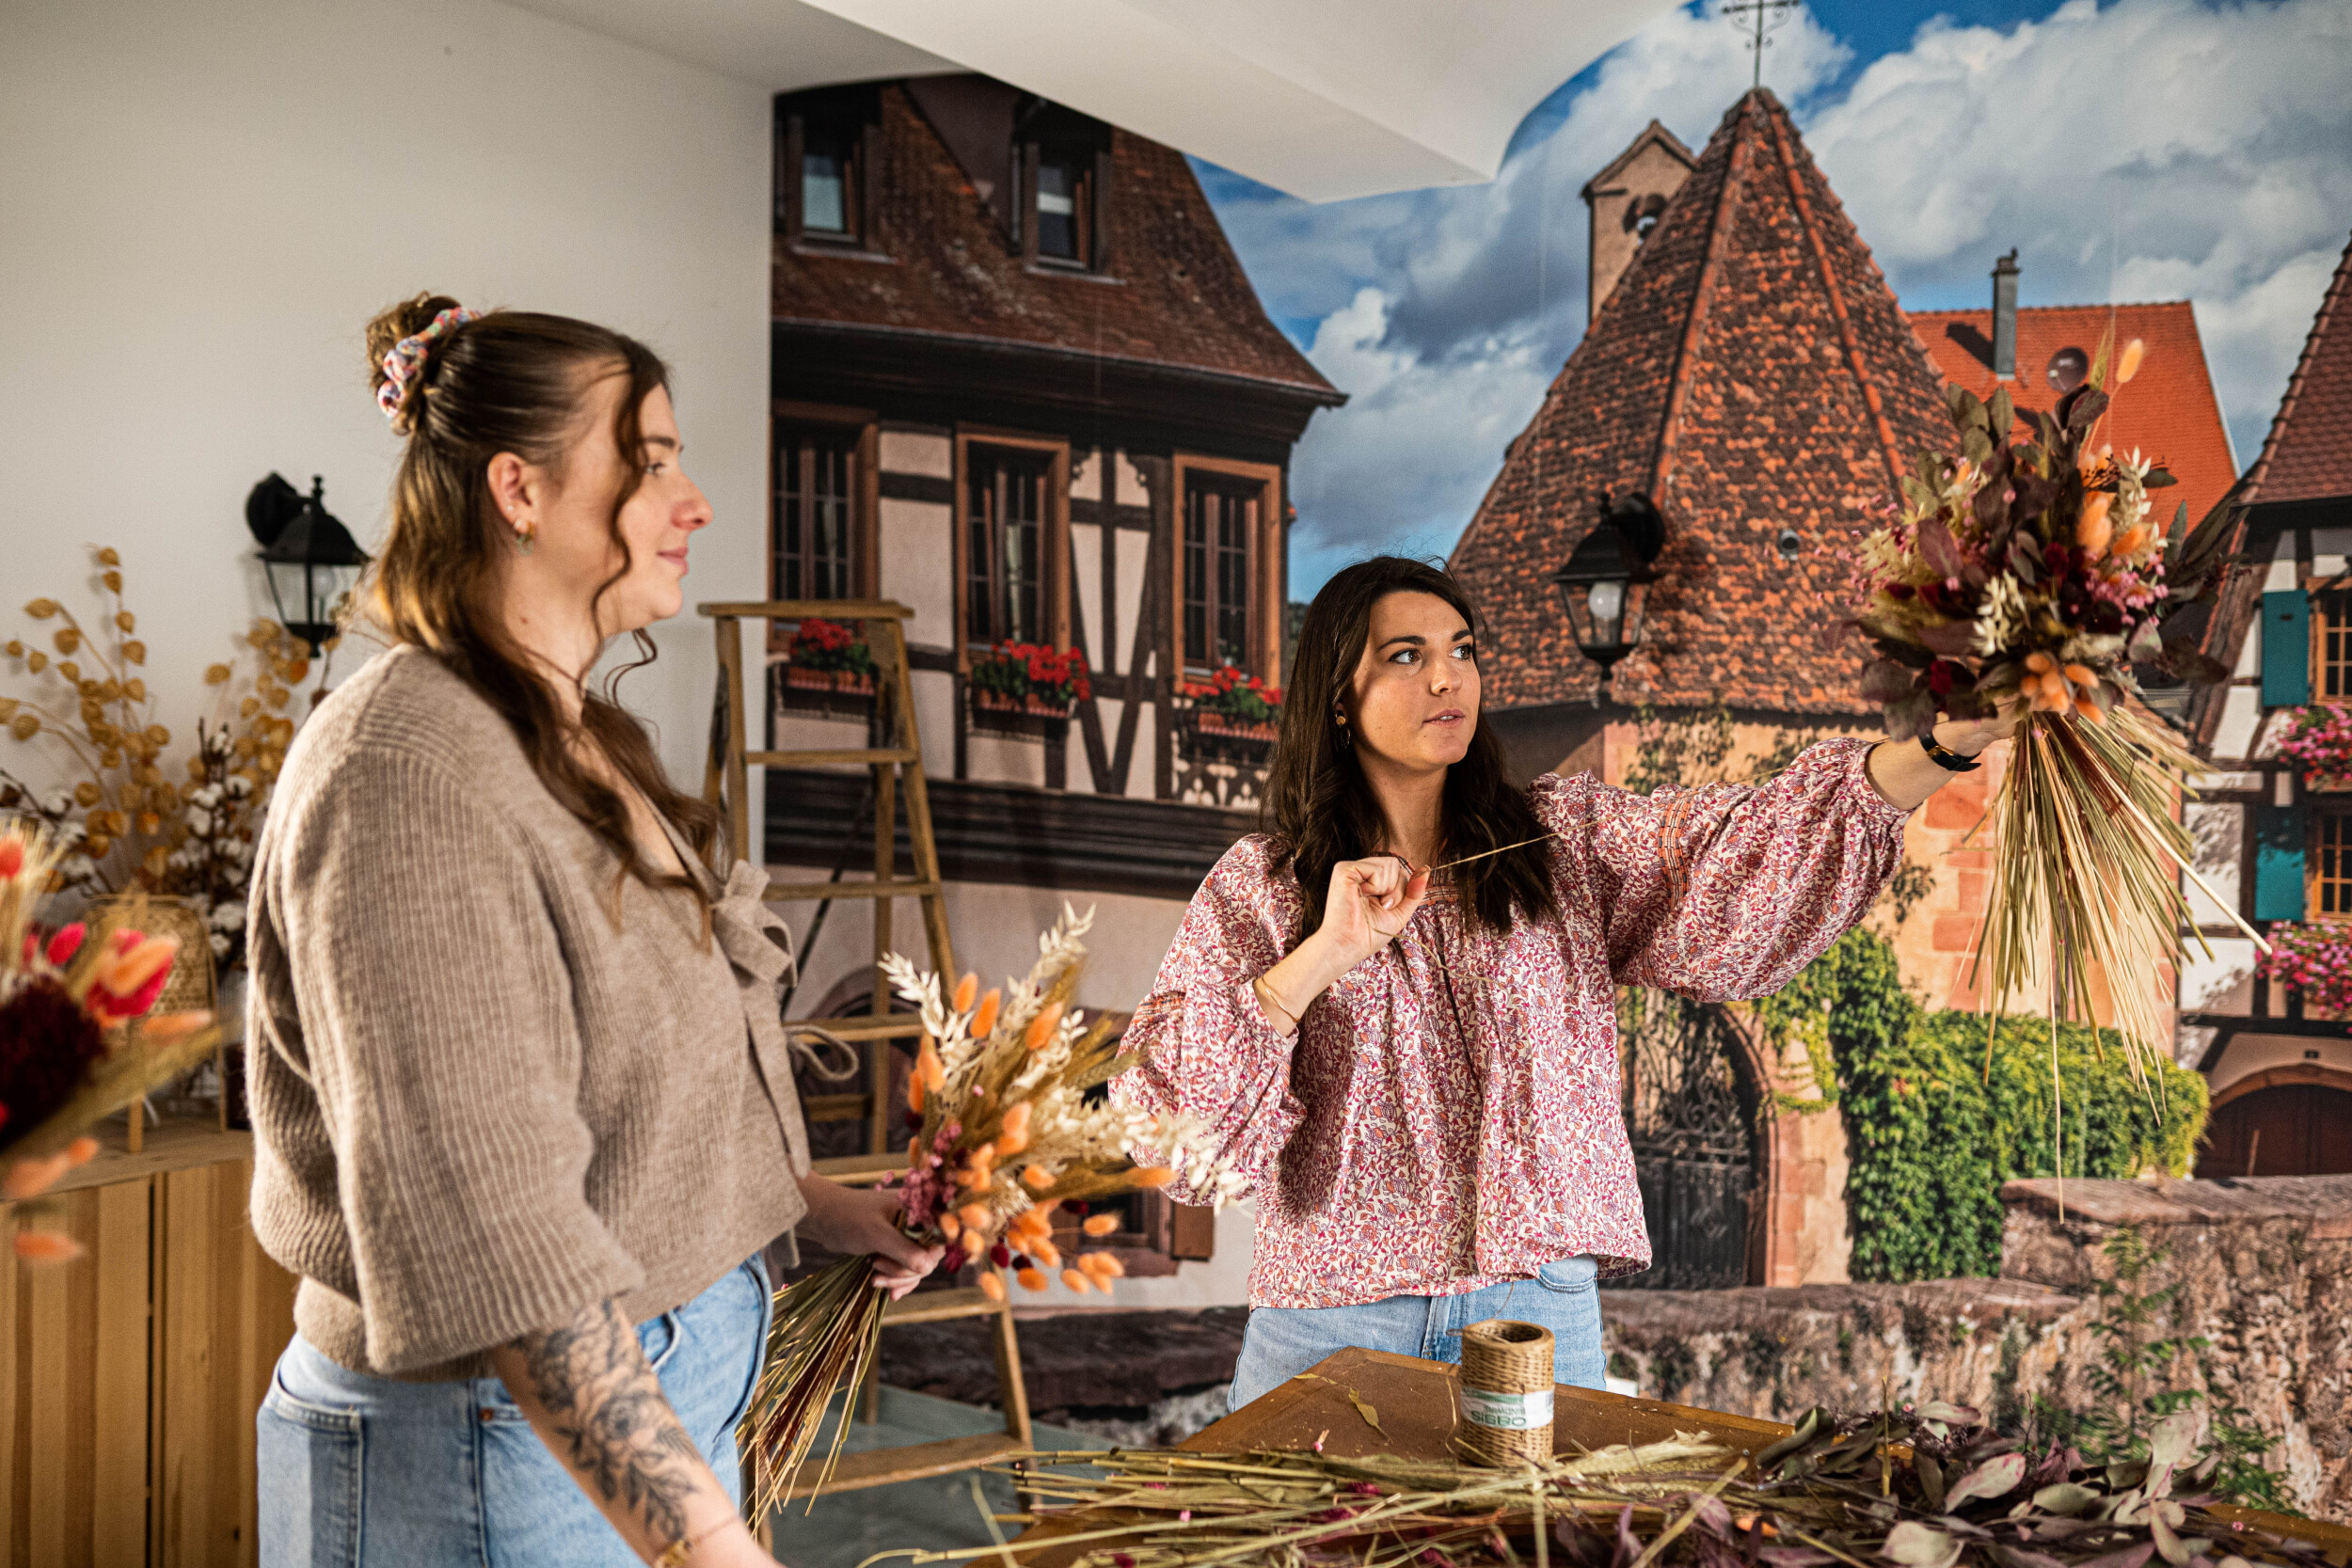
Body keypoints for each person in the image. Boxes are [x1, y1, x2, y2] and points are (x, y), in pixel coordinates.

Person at [246, 294, 943, 1567]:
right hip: (489, 1438)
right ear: (520, 488)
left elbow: (618, 1081)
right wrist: (711, 1544)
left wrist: (798, 1202)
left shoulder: (577, 737)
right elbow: (494, 1222)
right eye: (654, 458)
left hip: (617, 1414)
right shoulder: (406, 768)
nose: (696, 501)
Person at [1114, 556, 2010, 1411]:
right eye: (1406, 656)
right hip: (1334, 1324)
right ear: (1337, 700)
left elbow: (1738, 846)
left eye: (1462, 651)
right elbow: (1171, 1129)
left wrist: (1940, 744)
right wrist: (1323, 953)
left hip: (1538, 1320)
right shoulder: (1263, 885)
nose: (1447, 679)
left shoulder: (1563, 841)